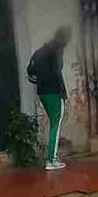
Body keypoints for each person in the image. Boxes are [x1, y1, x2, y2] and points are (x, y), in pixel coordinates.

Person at [27, 26, 72, 171]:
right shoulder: (56, 51)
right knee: (56, 124)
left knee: (54, 123)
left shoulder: (41, 51)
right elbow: (57, 73)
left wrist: (38, 80)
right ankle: (51, 160)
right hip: (53, 92)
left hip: (42, 92)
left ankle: (52, 158)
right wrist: (63, 92)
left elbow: (30, 71)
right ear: (64, 39)